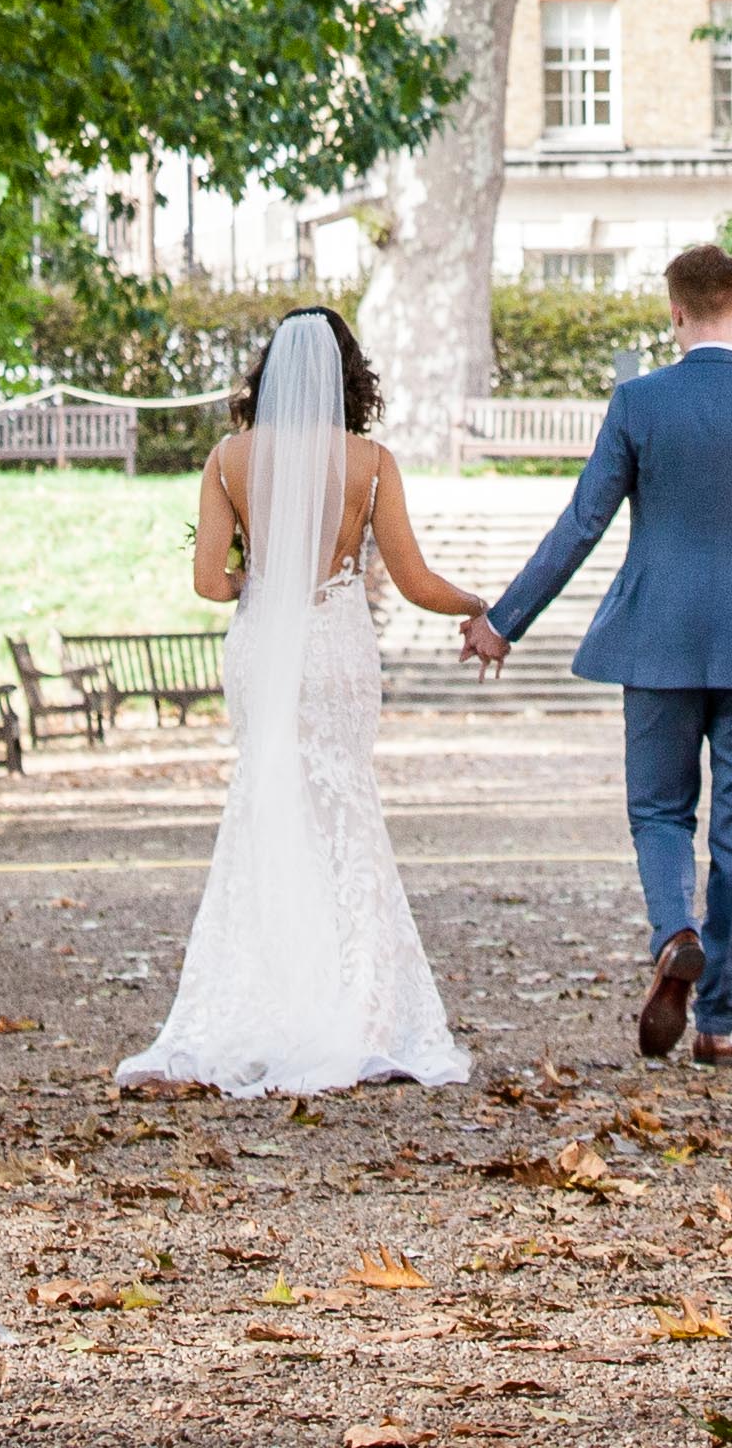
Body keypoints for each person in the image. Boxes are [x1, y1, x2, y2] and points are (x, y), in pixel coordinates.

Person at [463, 243, 732, 1064]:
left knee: (658, 812)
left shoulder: (638, 403)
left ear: (675, 313)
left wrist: (504, 621)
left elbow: (582, 522)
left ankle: (673, 931)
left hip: (656, 644)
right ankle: (720, 1023)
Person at [116, 304, 491, 1095]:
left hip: (264, 648)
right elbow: (416, 580)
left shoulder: (229, 458)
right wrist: (479, 605)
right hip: (338, 649)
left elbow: (209, 581)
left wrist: (261, 577)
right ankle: (358, 1010)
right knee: (347, 810)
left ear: (268, 373)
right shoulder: (370, 462)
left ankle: (259, 1001)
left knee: (264, 804)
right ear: (347, 376)